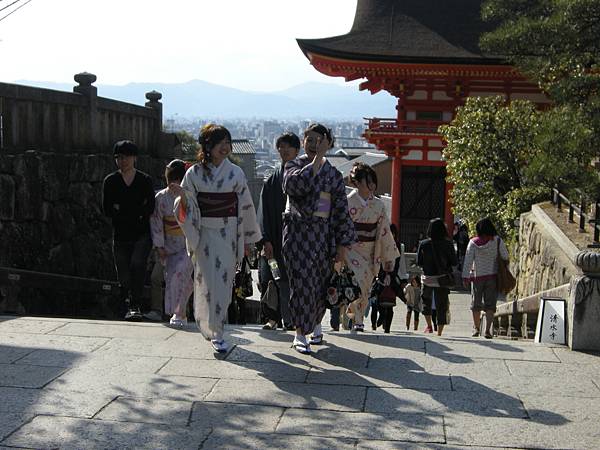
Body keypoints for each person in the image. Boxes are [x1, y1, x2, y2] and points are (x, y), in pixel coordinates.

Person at [173, 124, 261, 353]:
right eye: (219, 143)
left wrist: (248, 240)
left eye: (227, 142)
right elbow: (187, 205)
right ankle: (213, 330)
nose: (225, 147)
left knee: (222, 285)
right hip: (203, 236)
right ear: (208, 146)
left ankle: (217, 328)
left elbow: (245, 207)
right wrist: (183, 200)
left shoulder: (236, 173)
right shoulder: (193, 174)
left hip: (228, 234)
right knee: (206, 283)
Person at [282, 123, 357, 354]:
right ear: (303, 141)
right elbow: (292, 186)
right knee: (302, 283)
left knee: (320, 285)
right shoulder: (294, 165)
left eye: (320, 141)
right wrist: (317, 161)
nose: (315, 145)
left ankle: (314, 323)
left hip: (323, 236)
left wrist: (343, 244)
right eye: (310, 140)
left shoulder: (333, 175)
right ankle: (299, 333)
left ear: (328, 143)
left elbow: (340, 210)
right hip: (298, 233)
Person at [102, 140, 155, 321]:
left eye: (126, 157)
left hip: (142, 234)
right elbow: (107, 208)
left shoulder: (144, 180)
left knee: (137, 265)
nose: (122, 161)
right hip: (120, 234)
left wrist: (123, 209)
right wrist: (134, 210)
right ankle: (124, 303)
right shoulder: (110, 181)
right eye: (118, 157)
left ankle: (135, 305)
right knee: (123, 273)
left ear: (134, 158)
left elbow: (150, 207)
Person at [345, 162, 398, 332]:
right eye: (368, 181)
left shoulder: (378, 205)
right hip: (351, 249)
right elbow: (341, 227)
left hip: (370, 250)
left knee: (366, 286)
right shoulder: (348, 202)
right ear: (358, 183)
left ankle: (355, 315)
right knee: (357, 282)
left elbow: (384, 231)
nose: (372, 185)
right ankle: (358, 320)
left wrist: (388, 257)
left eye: (373, 182)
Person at [258, 132, 300, 330]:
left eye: (288, 147)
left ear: (296, 150)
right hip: (273, 241)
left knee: (293, 281)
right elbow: (264, 213)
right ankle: (273, 318)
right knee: (271, 279)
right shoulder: (271, 181)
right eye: (281, 147)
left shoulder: (302, 176)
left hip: (297, 241)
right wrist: (265, 239)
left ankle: (292, 319)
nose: (284, 151)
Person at [150, 159, 193, 327]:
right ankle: (179, 313)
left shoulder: (189, 195)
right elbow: (156, 223)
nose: (174, 184)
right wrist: (159, 246)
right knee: (172, 280)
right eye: (171, 180)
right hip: (168, 246)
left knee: (179, 275)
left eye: (177, 180)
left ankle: (178, 312)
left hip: (187, 245)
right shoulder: (160, 198)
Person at [461, 217, 509, 339]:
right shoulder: (497, 241)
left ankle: (476, 329)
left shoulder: (473, 243)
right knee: (490, 305)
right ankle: (487, 330)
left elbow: (468, 261)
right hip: (492, 277)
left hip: (477, 278)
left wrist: (465, 277)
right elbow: (505, 256)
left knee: (476, 304)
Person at [416, 218, 457, 336]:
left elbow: (419, 262)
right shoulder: (448, 244)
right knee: (442, 305)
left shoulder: (423, 244)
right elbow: (454, 262)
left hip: (428, 279)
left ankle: (429, 326)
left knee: (426, 302)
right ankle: (439, 332)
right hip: (442, 279)